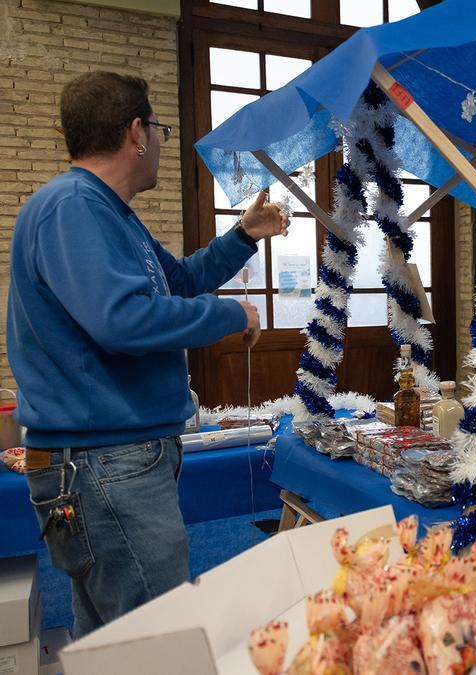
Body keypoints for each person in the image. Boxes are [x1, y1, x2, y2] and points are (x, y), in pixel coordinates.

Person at [7, 71, 289, 637]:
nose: (160, 141)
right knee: (156, 642)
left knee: (114, 643)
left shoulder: (111, 213)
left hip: (110, 464)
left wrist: (244, 235)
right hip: (104, 464)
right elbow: (124, 319)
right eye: (158, 128)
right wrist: (234, 314)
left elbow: (178, 282)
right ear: (137, 132)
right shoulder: (73, 207)